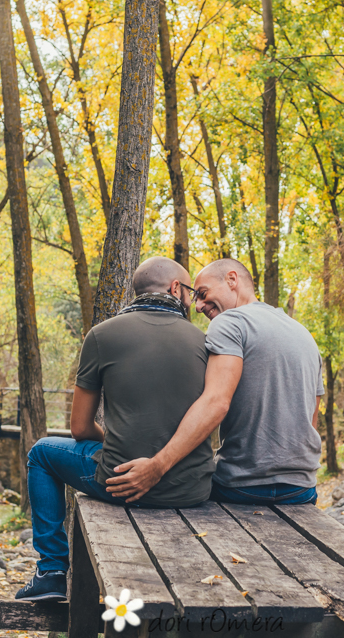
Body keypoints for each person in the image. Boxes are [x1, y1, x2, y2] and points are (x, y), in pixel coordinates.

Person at [15, 257, 214, 602]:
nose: (193, 303)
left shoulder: (101, 336)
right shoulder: (205, 342)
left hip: (119, 483)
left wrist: (115, 443)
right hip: (191, 490)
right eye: (190, 293)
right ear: (175, 289)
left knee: (41, 453)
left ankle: (51, 572)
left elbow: (79, 427)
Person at [106, 258, 323, 506]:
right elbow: (312, 419)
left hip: (241, 488)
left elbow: (216, 402)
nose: (197, 306)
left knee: (170, 492)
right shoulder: (303, 334)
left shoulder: (230, 322)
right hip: (302, 490)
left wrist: (157, 466)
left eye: (203, 293)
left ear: (232, 280)